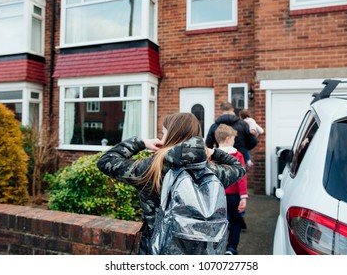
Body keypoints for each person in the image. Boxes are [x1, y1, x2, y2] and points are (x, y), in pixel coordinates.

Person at [97, 112, 247, 255]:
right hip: (201, 251)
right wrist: (213, 152)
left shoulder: (152, 168)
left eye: (163, 133)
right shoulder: (211, 171)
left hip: (157, 251)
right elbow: (239, 168)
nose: (161, 137)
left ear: (171, 135)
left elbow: (106, 161)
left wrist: (141, 143)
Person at [214, 124, 248, 255]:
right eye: (233, 138)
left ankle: (215, 248)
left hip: (217, 195)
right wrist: (243, 196)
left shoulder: (212, 155)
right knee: (236, 221)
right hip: (233, 195)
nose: (234, 141)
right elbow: (241, 177)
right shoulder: (237, 155)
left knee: (217, 221)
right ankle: (231, 248)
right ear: (228, 139)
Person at [206, 102, 258, 166]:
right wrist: (244, 148)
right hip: (240, 158)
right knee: (241, 174)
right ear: (232, 109)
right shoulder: (243, 124)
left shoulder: (215, 126)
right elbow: (253, 141)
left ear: (222, 110)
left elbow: (208, 144)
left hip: (221, 159)